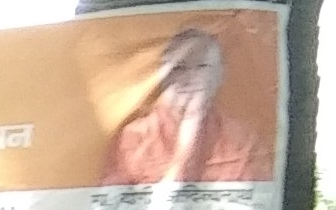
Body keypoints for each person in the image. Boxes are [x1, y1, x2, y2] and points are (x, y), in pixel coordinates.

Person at [101, 25, 270, 187]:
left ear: (220, 75)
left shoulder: (242, 140)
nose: (190, 78)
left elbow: (261, 202)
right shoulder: (135, 138)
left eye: (201, 67)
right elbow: (110, 202)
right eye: (179, 68)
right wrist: (188, 136)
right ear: (163, 76)